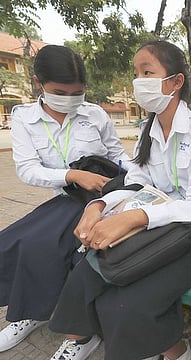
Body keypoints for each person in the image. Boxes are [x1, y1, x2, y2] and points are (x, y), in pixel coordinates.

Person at [48, 40, 191, 360]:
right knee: (83, 278)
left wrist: (135, 218)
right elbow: (137, 181)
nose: (138, 81)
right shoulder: (148, 129)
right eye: (136, 73)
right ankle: (82, 339)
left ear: (175, 81)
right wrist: (98, 207)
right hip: (153, 226)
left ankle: (178, 354)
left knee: (127, 304)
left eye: (147, 72)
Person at [0, 45, 132, 352]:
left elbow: (117, 155)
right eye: (60, 91)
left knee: (62, 249)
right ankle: (31, 312)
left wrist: (139, 177)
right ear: (38, 83)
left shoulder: (94, 114)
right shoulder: (24, 119)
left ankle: (80, 336)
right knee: (18, 242)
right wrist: (71, 176)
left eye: (78, 92)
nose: (70, 99)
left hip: (102, 198)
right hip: (66, 199)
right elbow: (28, 169)